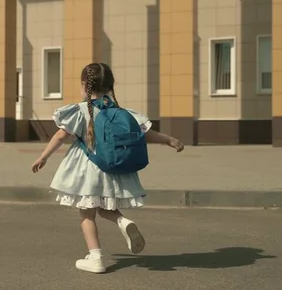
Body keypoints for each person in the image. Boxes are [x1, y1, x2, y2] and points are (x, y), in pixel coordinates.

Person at [31, 62, 184, 274]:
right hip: (111, 170)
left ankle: (95, 258)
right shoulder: (122, 113)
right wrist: (169, 139)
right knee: (104, 207)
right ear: (111, 86)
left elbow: (60, 135)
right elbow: (146, 133)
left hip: (86, 170)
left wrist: (43, 157)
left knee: (87, 214)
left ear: (85, 85)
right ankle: (122, 220)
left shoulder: (80, 110)